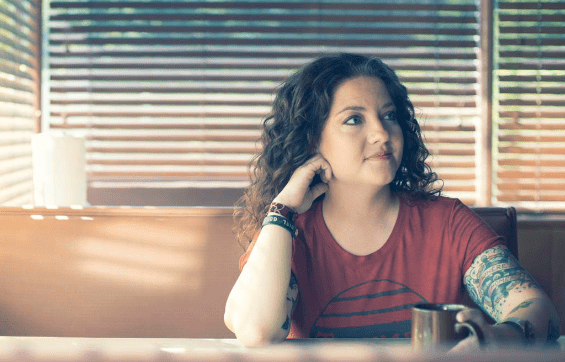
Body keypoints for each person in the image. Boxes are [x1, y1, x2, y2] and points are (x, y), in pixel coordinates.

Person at [224, 53, 560, 349]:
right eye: (354, 119)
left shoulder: (447, 222)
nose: (382, 134)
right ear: (312, 140)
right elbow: (257, 332)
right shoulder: (287, 233)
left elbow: (537, 310)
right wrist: (282, 208)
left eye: (389, 116)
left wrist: (492, 340)